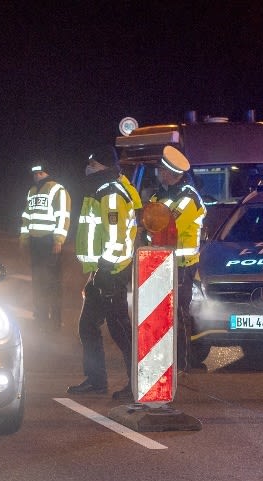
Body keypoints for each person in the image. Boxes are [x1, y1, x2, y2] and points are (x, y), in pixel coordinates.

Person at [68, 146, 137, 400]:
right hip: (101, 271)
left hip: (112, 271)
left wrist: (105, 269)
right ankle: (96, 380)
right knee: (88, 325)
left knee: (120, 330)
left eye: (93, 164)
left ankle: (138, 384)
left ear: (104, 168)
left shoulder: (110, 194)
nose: (88, 168)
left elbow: (117, 240)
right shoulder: (100, 190)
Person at [144, 146, 206, 370]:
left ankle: (184, 362)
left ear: (171, 173)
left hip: (181, 265)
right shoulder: (160, 195)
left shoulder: (188, 198)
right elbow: (147, 224)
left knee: (179, 313)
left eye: (161, 170)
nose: (158, 173)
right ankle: (167, 358)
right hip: (160, 263)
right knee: (163, 314)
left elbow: (167, 225)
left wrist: (149, 223)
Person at [19, 160, 71, 330]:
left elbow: (63, 216)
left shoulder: (58, 190)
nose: (37, 177)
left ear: (48, 173)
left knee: (53, 282)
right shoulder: (32, 191)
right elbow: (27, 216)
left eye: (41, 173)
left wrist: (58, 240)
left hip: (50, 243)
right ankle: (40, 315)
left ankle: (55, 320)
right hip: (35, 243)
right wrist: (24, 237)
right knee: (38, 281)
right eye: (35, 174)